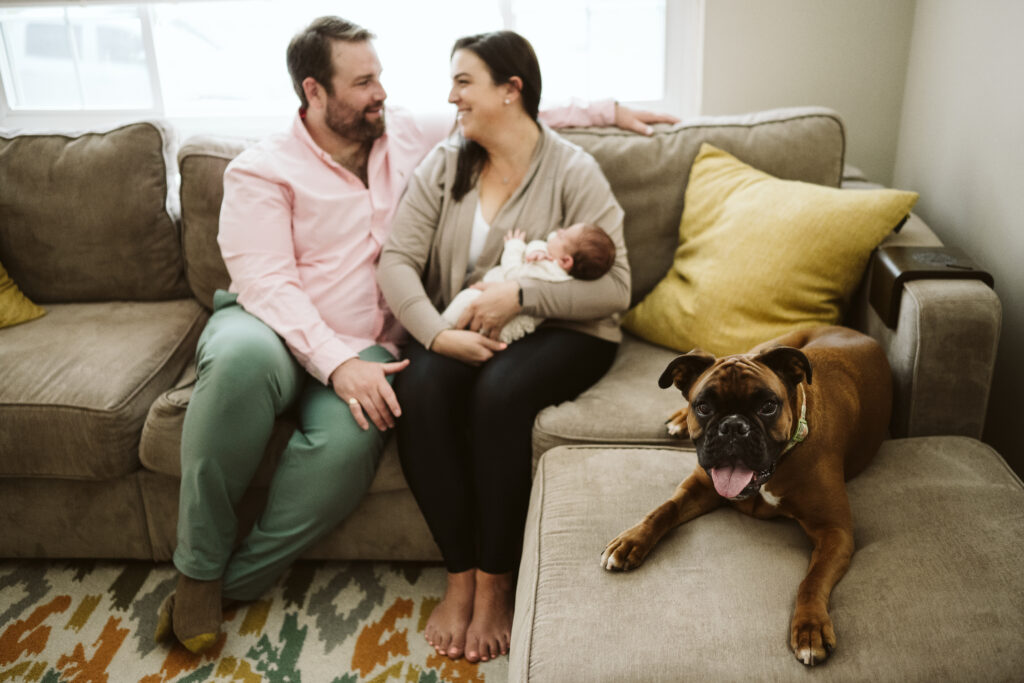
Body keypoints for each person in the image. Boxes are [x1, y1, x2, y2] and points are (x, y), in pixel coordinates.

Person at [155, 16, 677, 654]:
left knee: (347, 451)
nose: (383, 92)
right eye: (364, 81)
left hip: (369, 345)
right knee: (237, 368)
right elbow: (270, 285)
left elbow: (524, 116)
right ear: (315, 92)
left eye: (380, 77)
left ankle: (234, 581)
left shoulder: (407, 133)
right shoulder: (262, 170)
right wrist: (366, 355)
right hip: (269, 327)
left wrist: (613, 108)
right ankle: (198, 570)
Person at [378, 30, 635, 664]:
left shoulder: (574, 170)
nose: (452, 96)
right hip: (460, 325)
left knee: (498, 396)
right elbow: (396, 260)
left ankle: (495, 584)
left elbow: (618, 288)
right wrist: (436, 333)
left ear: (510, 90)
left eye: (464, 81)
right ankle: (459, 573)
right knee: (421, 386)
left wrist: (521, 297)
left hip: (567, 334)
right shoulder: (447, 163)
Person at [441, 224, 616, 343]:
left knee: (466, 299)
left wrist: (514, 246)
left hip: (500, 322)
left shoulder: (547, 271)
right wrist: (537, 250)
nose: (556, 232)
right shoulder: (556, 267)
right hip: (501, 318)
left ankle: (444, 328)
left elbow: (513, 275)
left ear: (565, 261)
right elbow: (541, 245)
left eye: (562, 236)